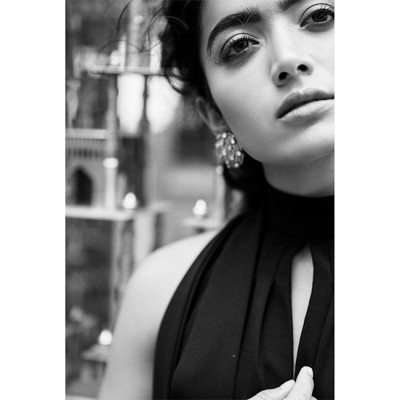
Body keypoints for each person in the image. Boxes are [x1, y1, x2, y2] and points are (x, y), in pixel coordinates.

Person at [98, 0, 334, 398]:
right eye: (239, 44)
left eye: (320, 16)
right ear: (213, 115)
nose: (288, 59)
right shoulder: (159, 290)